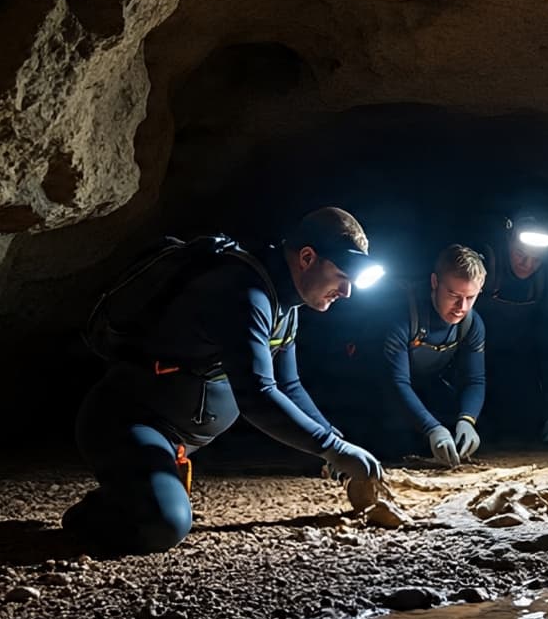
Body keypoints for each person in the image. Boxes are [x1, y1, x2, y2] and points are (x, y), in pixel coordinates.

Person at [63, 207, 384, 554]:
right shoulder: (244, 291)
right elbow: (256, 396)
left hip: (181, 439)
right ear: (307, 257)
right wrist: (333, 448)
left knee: (164, 509)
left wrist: (336, 444)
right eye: (341, 276)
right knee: (165, 525)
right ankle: (97, 510)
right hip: (128, 423)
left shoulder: (285, 308)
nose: (347, 291)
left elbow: (289, 387)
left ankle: (144, 486)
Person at [380, 244, 487, 467]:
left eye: (470, 297)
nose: (461, 306)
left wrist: (467, 419)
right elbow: (397, 382)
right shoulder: (403, 314)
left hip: (427, 385)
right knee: (393, 439)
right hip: (379, 389)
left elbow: (475, 379)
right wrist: (432, 428)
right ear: (434, 282)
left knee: (472, 430)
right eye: (453, 295)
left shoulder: (472, 323)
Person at [475, 213, 548, 445]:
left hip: (514, 360)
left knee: (524, 428)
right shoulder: (487, 265)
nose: (527, 264)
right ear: (508, 242)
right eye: (520, 255)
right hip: (475, 357)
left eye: (536, 259)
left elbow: (546, 346)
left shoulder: (541, 282)